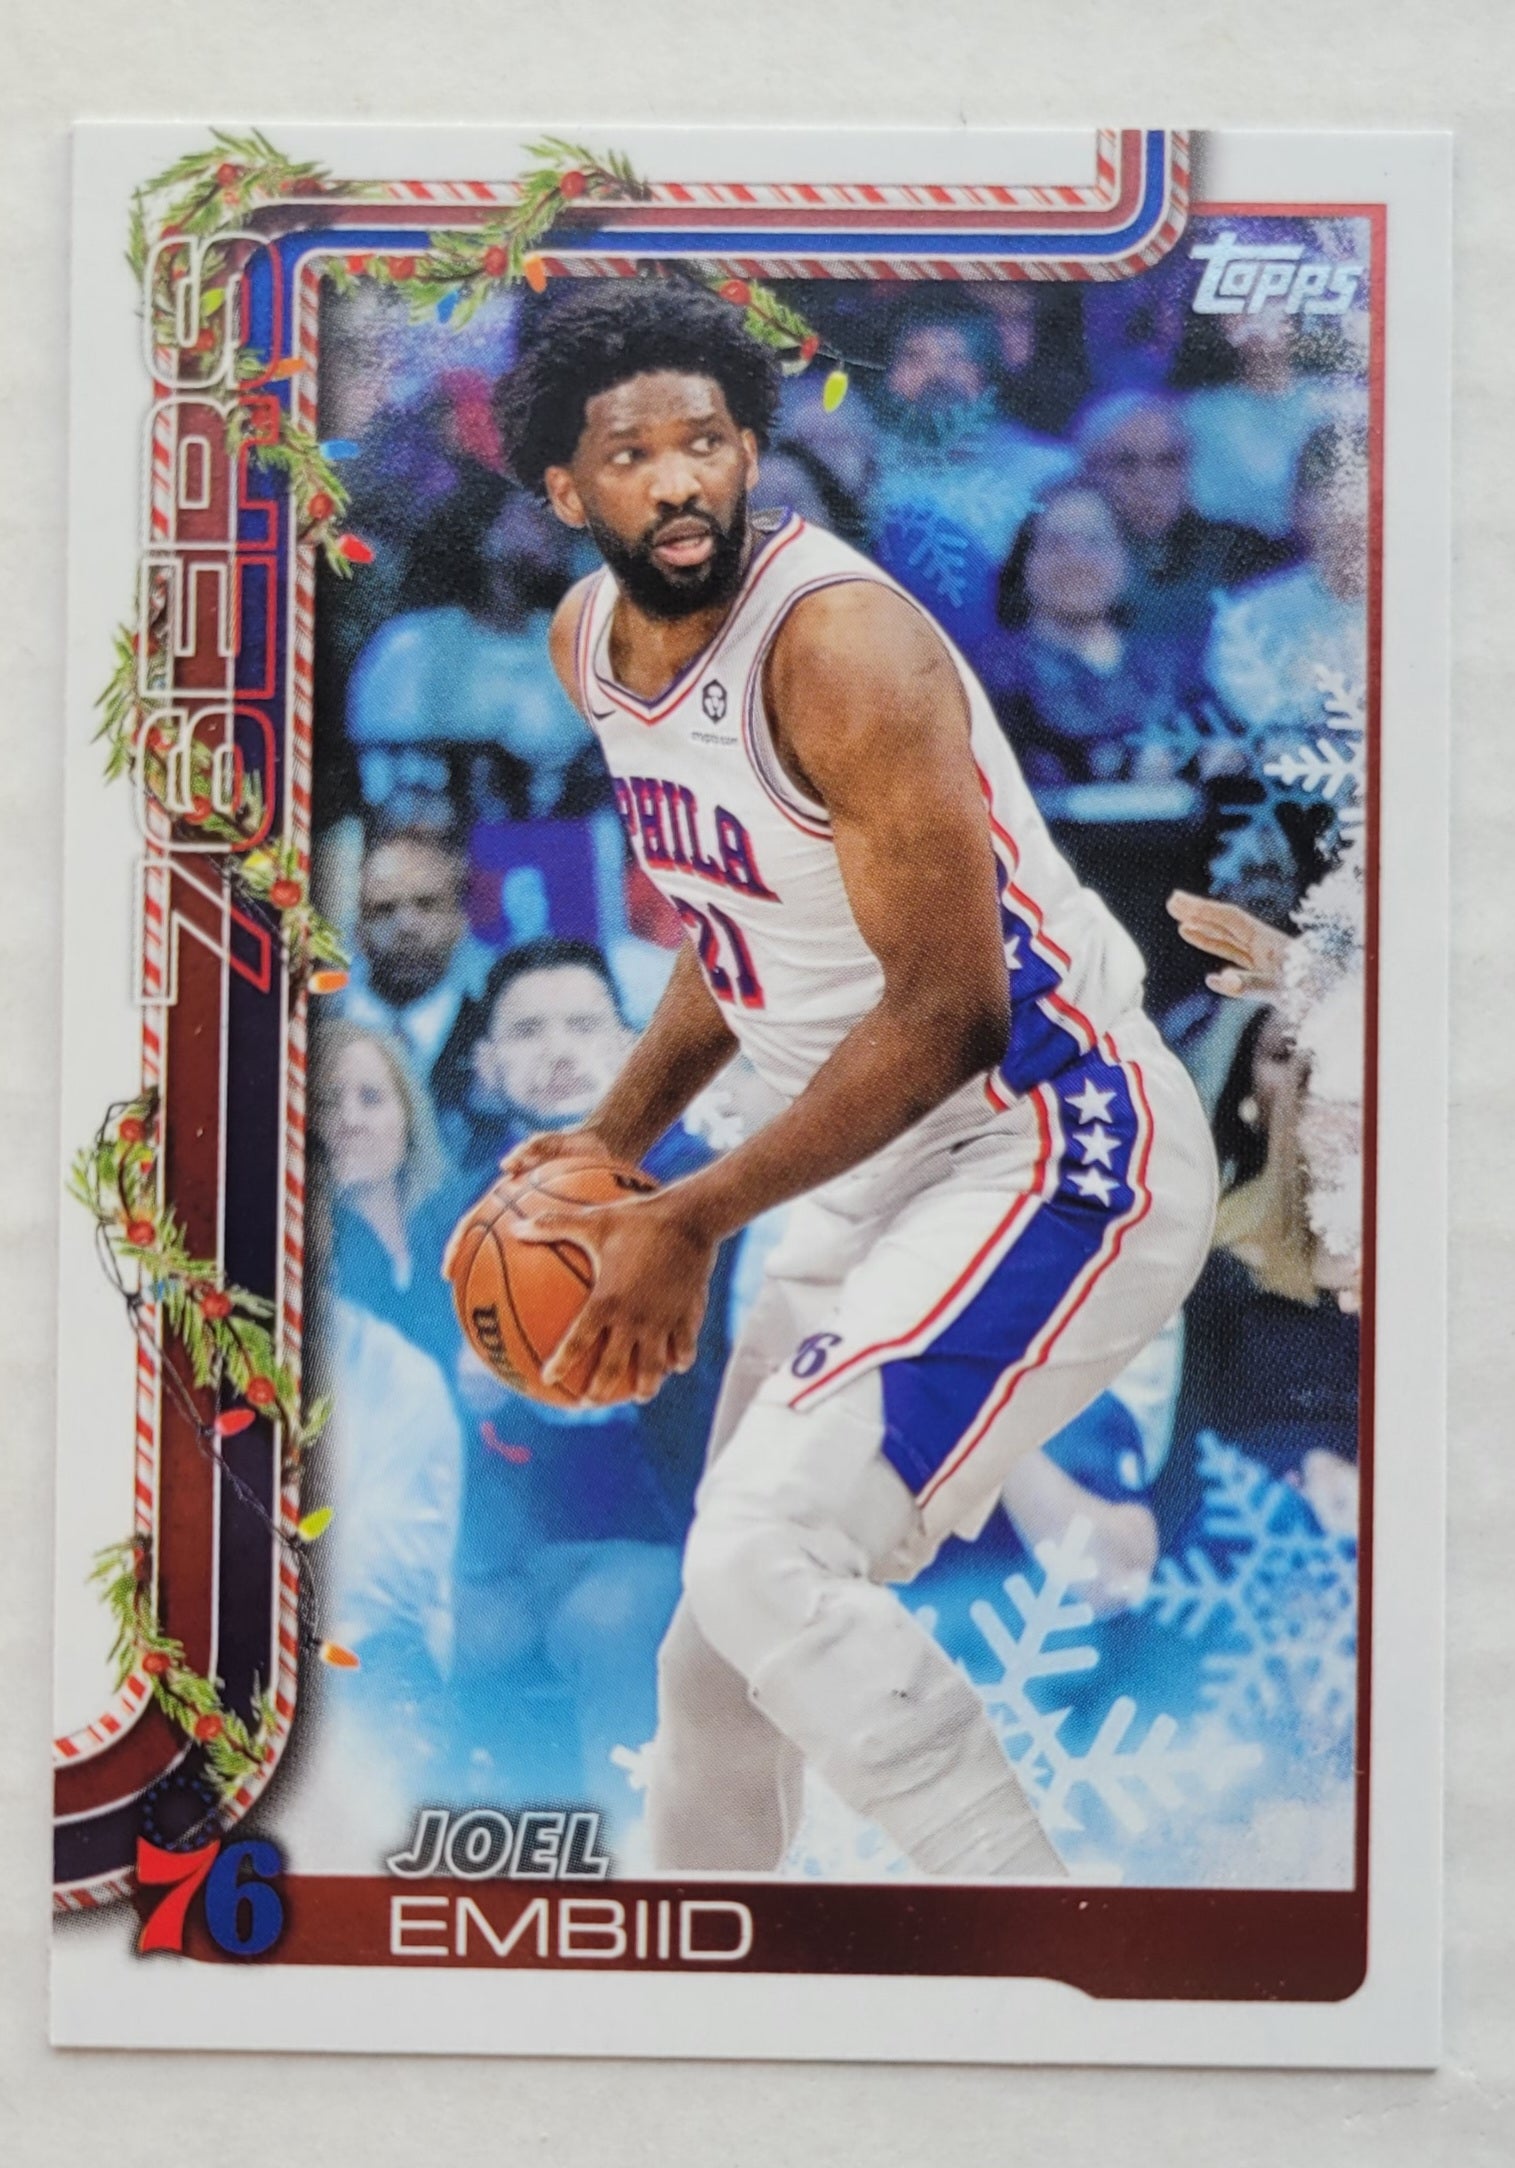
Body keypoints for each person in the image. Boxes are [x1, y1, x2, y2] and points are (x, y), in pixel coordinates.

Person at [481, 274, 1218, 1880]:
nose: (678, 481)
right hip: (866, 1165)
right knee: (710, 1671)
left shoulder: (843, 644)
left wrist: (683, 1215)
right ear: (563, 491)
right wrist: (610, 1139)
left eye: (705, 442)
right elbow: (739, 920)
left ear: (750, 451)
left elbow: (949, 1013)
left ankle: (1031, 1950)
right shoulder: (586, 641)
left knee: (762, 1555)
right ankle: (704, 1984)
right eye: (630, 456)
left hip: (1049, 1140)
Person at [435, 937, 737, 1811]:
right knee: (444, 1631)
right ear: (488, 1066)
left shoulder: (702, 1192)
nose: (558, 1050)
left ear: (629, 1047)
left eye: (581, 1025)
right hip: (503, 1551)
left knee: (610, 1625)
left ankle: (638, 1858)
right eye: (527, 1032)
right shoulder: (447, 1214)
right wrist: (467, 1396)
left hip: (662, 1534)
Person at [1157, 1004, 1360, 1543]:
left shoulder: (1438, 1298)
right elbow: (1182, 1466)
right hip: (1243, 1556)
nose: (1352, 1125)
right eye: (1331, 1099)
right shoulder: (1218, 1270)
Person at [865, 306, 1074, 663]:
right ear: (889, 378)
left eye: (957, 358)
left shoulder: (1048, 470)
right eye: (915, 358)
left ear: (987, 374)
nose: (937, 374)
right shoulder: (862, 469)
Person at [1077, 392, 1291, 651]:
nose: (1149, 482)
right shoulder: (1070, 557)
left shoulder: (1243, 550)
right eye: (1126, 463)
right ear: (1090, 471)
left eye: (1167, 461)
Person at [313, 1017, 461, 1377]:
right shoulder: (301, 1255)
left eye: (371, 1098)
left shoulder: (456, 1230)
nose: (350, 1120)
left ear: (408, 1117)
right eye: (328, 1103)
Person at [340, 825, 494, 1087]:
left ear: (460, 922)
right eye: (384, 909)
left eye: (427, 905)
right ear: (357, 931)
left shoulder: (494, 1032)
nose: (406, 926)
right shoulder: (317, 1027)